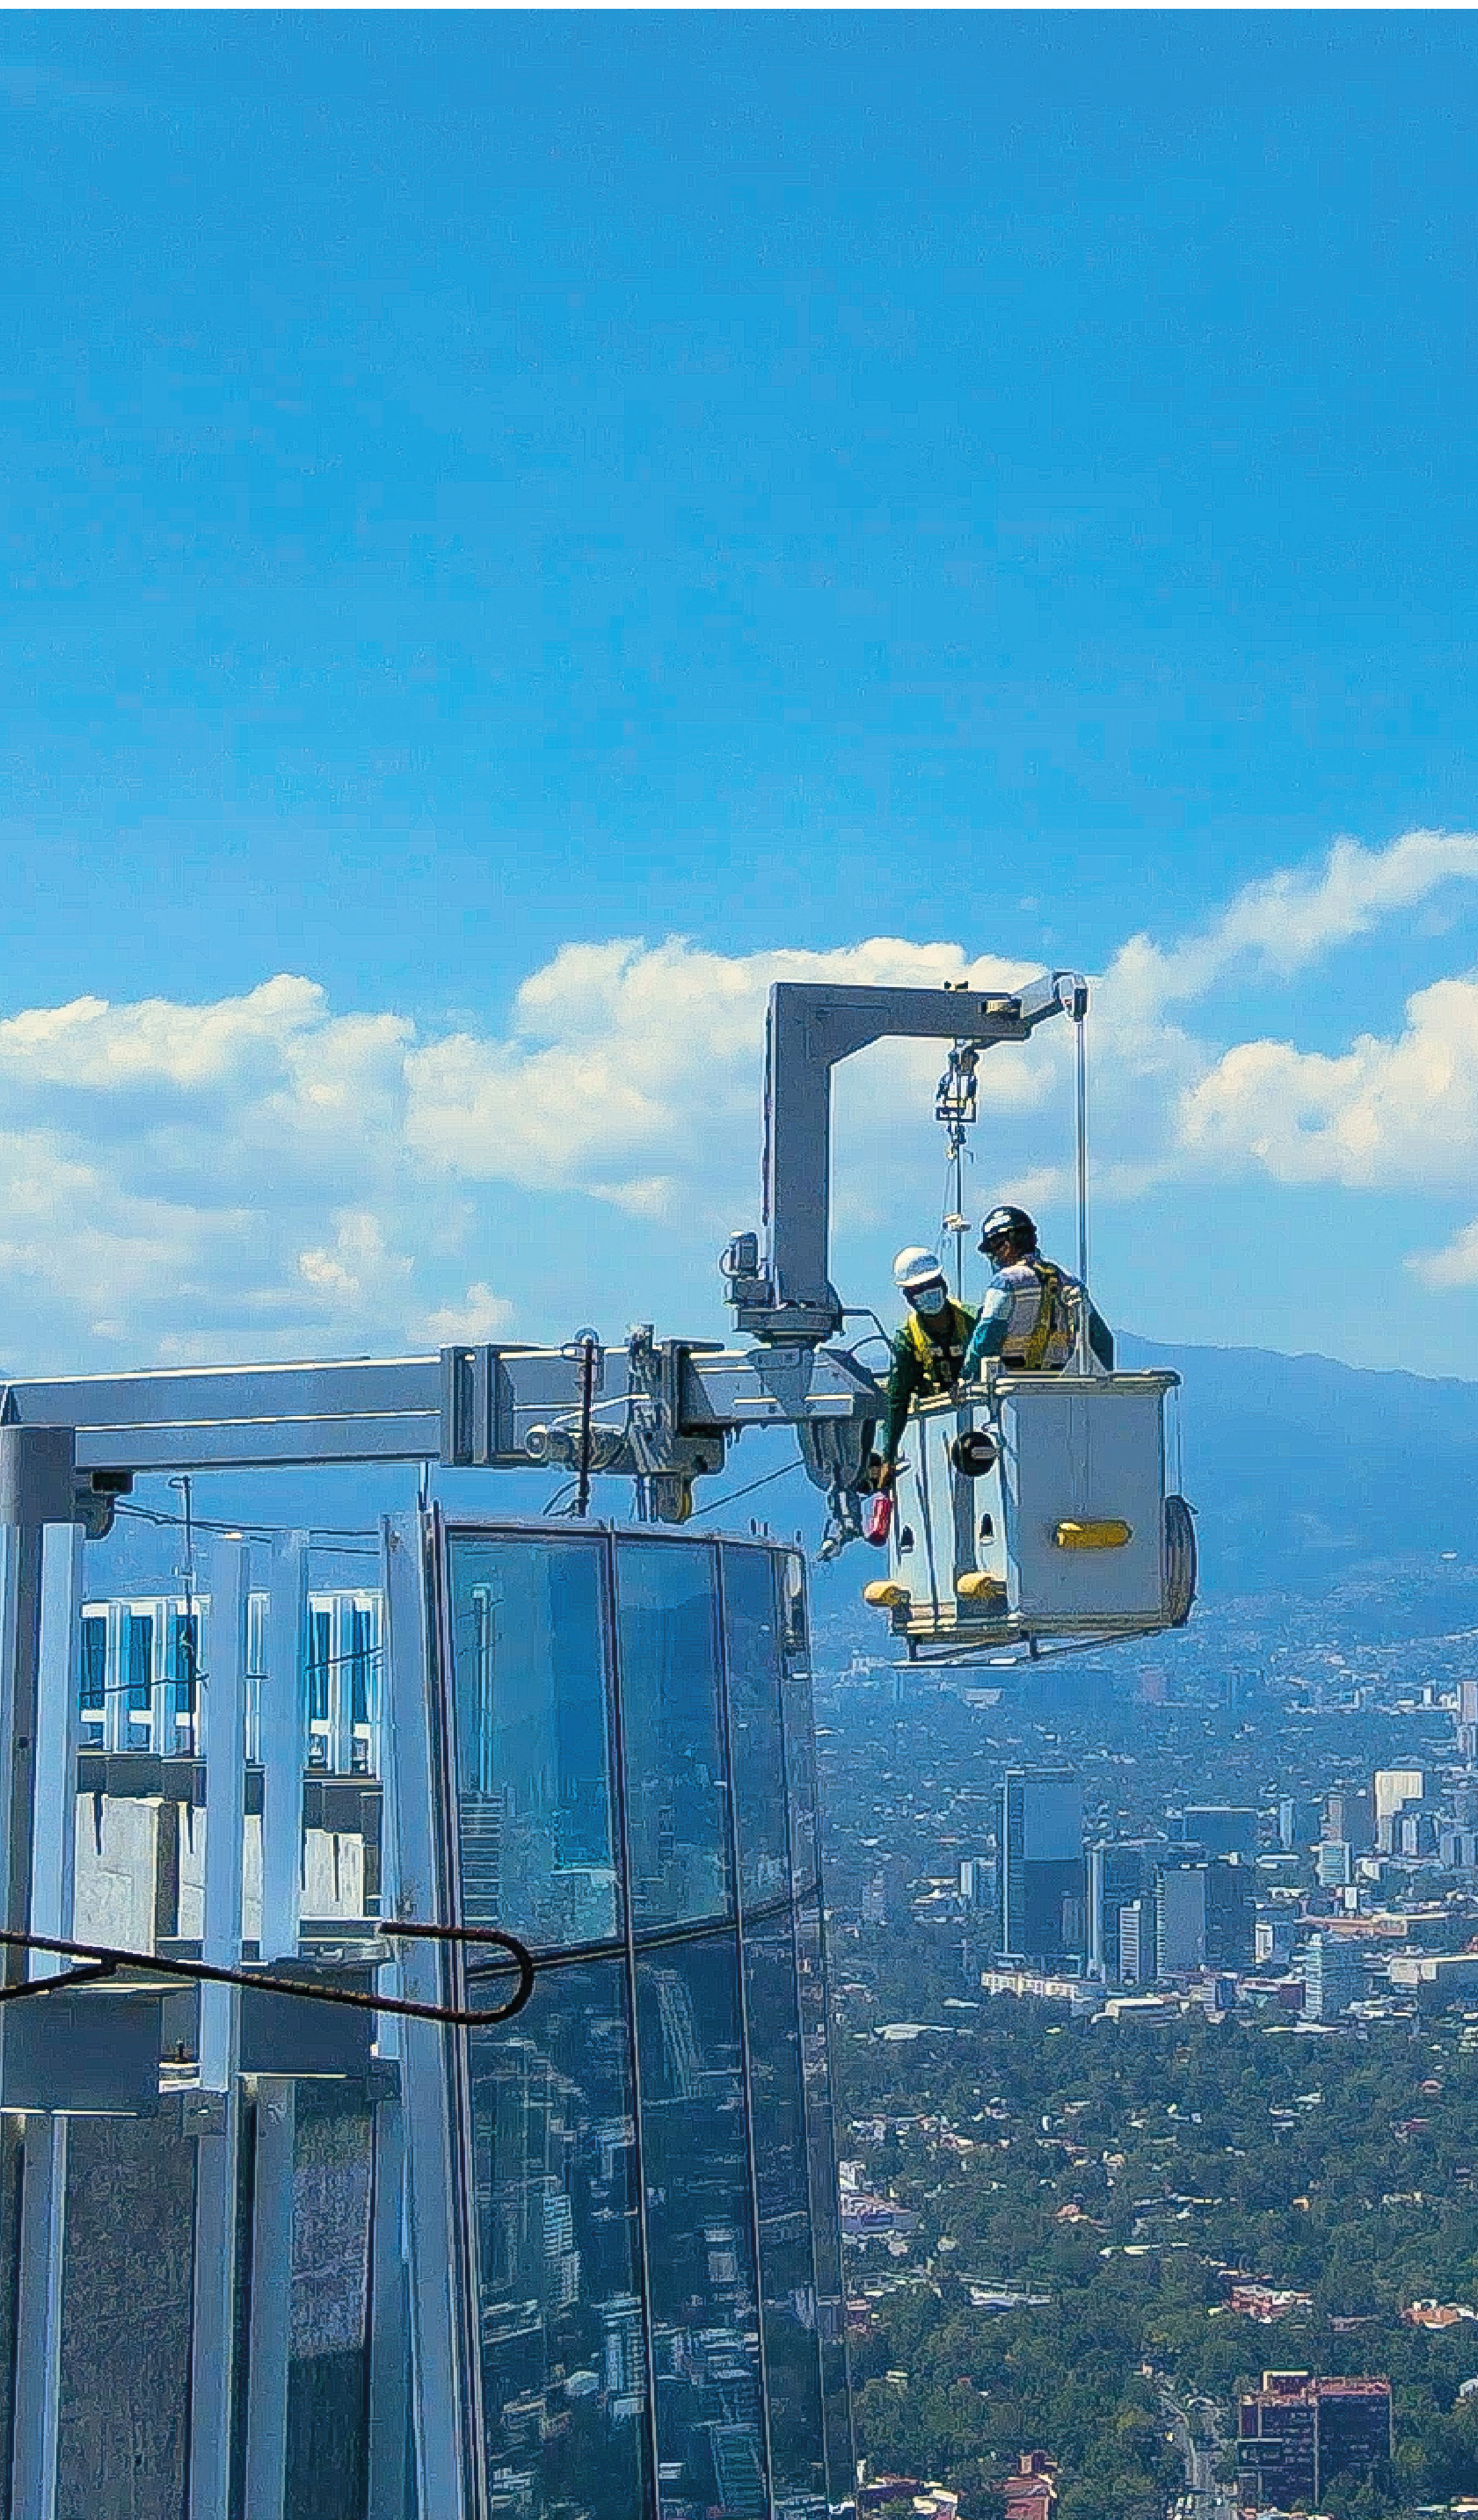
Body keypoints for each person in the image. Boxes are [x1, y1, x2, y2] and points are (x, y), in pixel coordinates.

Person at [962, 1204, 1114, 1376]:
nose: (994, 1258)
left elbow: (985, 1339)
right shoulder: (1070, 1281)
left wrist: (966, 1376)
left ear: (1003, 1245)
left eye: (993, 1251)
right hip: (1056, 1389)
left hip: (1010, 1391)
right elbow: (1103, 1341)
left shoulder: (1006, 1282)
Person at [879, 1247, 979, 1485]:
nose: (927, 1293)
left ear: (943, 1284)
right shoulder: (907, 1338)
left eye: (931, 1284)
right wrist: (889, 1457)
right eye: (918, 1290)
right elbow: (898, 1398)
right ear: (909, 1297)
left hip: (977, 1420)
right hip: (936, 1426)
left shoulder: (973, 1320)